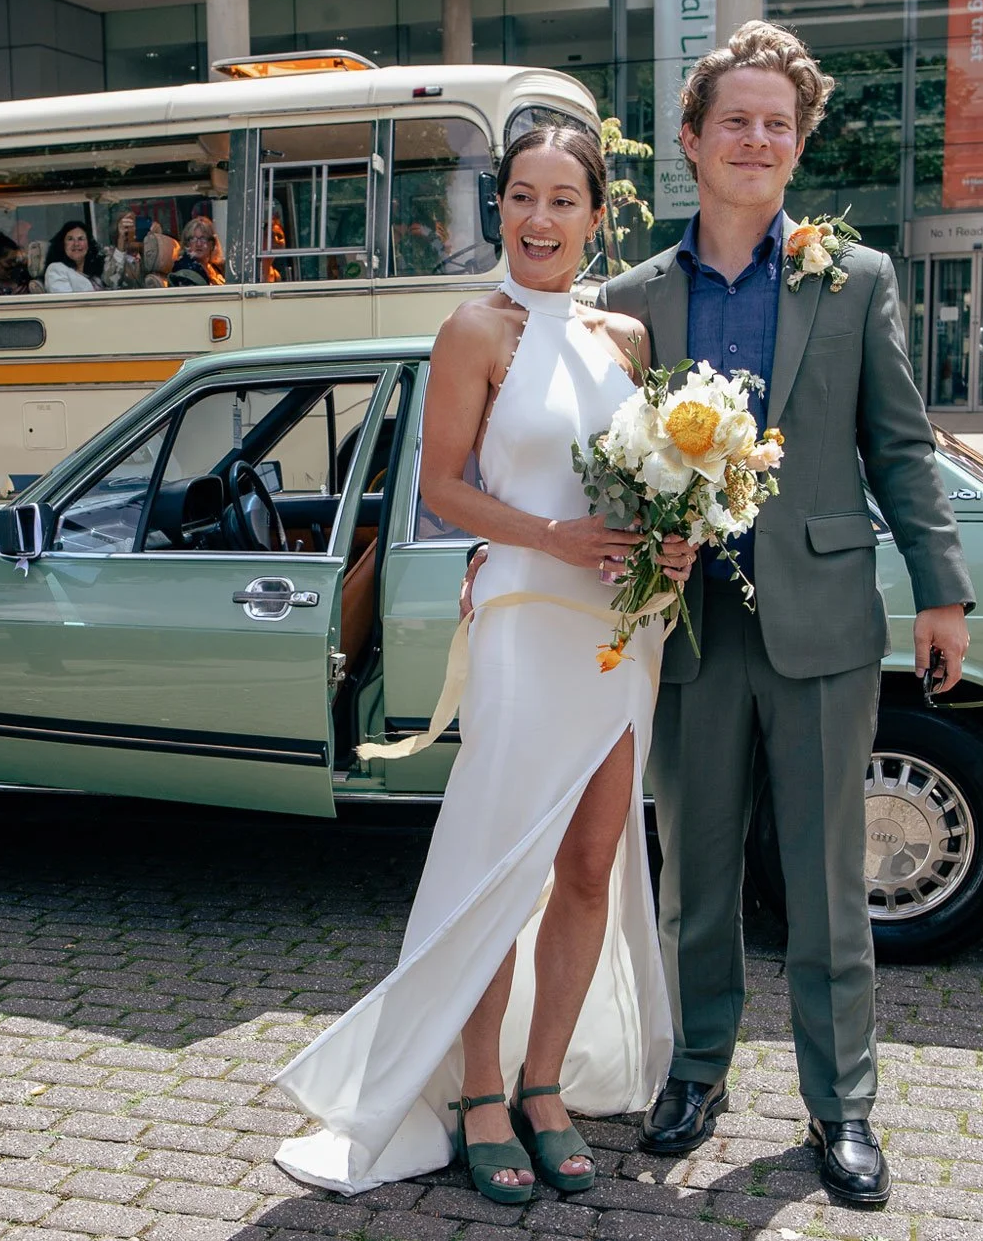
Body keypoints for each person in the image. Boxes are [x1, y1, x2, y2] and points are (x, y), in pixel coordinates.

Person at [272, 124, 697, 1204]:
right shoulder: (472, 329)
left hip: (616, 627)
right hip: (520, 612)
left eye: (563, 200)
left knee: (595, 862)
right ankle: (473, 1089)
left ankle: (543, 1081)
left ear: (597, 215)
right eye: (520, 196)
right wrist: (546, 537)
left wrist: (673, 538)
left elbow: (640, 484)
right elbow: (441, 489)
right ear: (495, 208)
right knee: (499, 865)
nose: (539, 219)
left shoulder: (627, 339)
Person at [594, 20, 973, 1208]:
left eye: (777, 123)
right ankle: (695, 1072)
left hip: (820, 624)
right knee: (692, 880)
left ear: (795, 145)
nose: (755, 139)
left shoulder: (851, 280)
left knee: (823, 884)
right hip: (690, 625)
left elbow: (900, 447)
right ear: (692, 142)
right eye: (735, 121)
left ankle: (840, 1105)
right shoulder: (629, 297)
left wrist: (941, 585)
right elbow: (600, 465)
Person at [43, 220, 101, 293]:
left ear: (88, 244)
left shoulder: (95, 274)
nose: (76, 244)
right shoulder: (56, 269)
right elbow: (66, 302)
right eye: (70, 239)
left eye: (81, 239)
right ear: (63, 244)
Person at [170, 217, 225, 287]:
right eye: (193, 239)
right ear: (187, 244)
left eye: (203, 238)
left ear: (212, 244)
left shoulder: (216, 268)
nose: (198, 244)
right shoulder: (185, 272)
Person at [102, 212, 143, 290]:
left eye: (136, 225)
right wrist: (121, 241)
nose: (134, 230)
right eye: (127, 227)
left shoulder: (146, 254)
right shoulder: (108, 255)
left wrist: (156, 239)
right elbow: (110, 282)